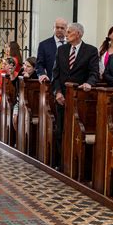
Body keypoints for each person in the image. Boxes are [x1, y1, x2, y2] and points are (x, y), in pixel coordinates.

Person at [51, 22, 99, 170]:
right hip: (62, 98)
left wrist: (89, 83)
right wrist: (57, 92)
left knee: (77, 131)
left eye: (69, 32)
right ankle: (61, 162)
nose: (66, 34)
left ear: (79, 34)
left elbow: (94, 73)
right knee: (60, 131)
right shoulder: (62, 50)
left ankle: (77, 164)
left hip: (80, 98)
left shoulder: (90, 50)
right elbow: (56, 74)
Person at [36, 17, 67, 83]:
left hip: (69, 84)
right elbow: (39, 64)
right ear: (53, 28)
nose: (59, 30)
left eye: (62, 28)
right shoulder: (44, 45)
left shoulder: (71, 44)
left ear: (66, 29)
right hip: (52, 83)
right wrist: (42, 74)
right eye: (57, 27)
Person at [12, 56, 38, 128]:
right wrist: (12, 74)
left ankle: (25, 137)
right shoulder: (22, 71)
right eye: (24, 65)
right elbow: (15, 84)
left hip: (30, 103)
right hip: (19, 100)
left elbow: (34, 90)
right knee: (15, 120)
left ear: (34, 68)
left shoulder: (36, 75)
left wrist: (28, 79)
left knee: (26, 122)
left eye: (28, 66)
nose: (25, 67)